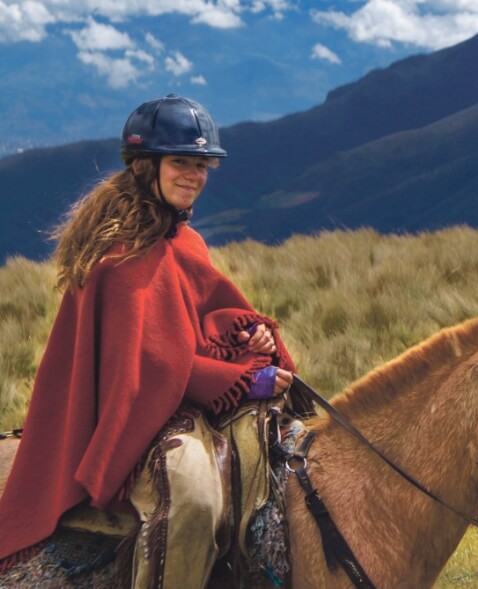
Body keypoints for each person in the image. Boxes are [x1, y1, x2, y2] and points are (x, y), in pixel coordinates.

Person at [0, 94, 310, 588]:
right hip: (141, 414)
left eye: (202, 164)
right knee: (195, 502)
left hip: (182, 395)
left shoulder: (183, 238)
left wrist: (247, 338)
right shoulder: (120, 254)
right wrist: (242, 382)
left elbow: (192, 325)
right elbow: (146, 368)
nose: (194, 174)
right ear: (147, 166)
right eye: (180, 162)